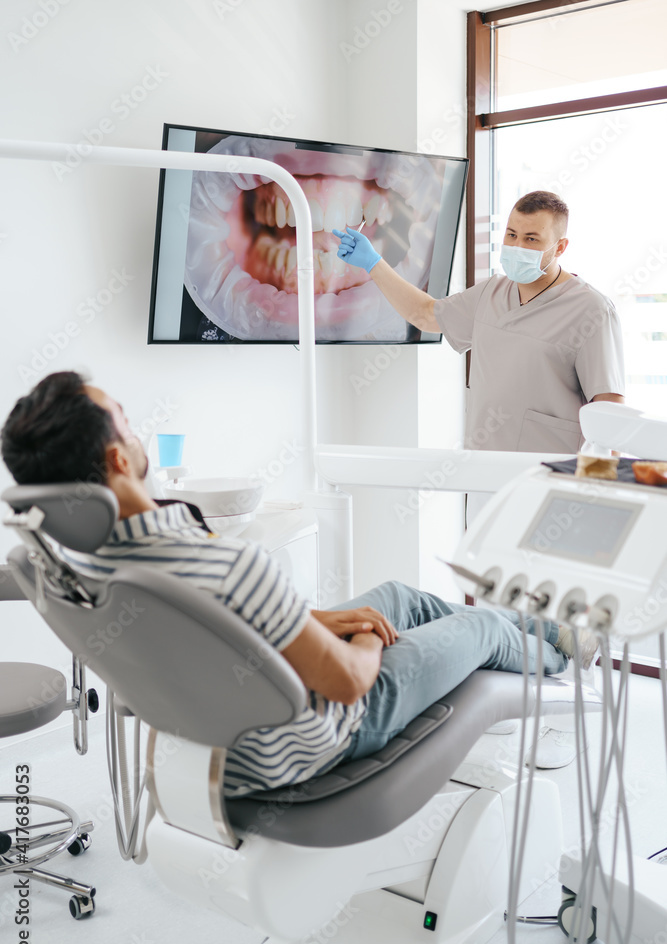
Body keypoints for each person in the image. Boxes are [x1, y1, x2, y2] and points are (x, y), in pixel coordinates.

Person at [1, 372, 577, 798]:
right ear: (118, 460)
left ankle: (549, 631)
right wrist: (368, 639)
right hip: (319, 737)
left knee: (400, 595)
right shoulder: (229, 565)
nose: (135, 427)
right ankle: (562, 659)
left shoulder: (73, 568)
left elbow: (215, 630)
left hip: (226, 738)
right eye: (124, 417)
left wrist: (318, 623)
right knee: (476, 623)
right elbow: (349, 683)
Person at [333, 190, 621, 767]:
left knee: (555, 616)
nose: (516, 247)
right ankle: (505, 706)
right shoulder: (491, 294)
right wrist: (373, 264)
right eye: (511, 234)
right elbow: (426, 314)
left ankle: (567, 717)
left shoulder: (590, 310)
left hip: (552, 487)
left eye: (531, 239)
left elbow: (608, 408)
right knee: (500, 608)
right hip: (488, 478)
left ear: (560, 246)